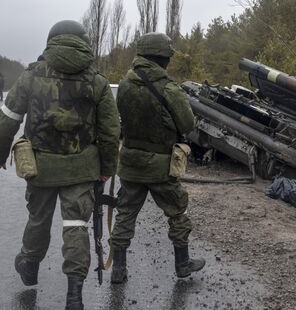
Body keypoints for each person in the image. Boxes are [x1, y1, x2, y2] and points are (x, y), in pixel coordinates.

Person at [0, 20, 120, 310]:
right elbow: (110, 131)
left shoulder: (32, 74)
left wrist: (1, 154)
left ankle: (29, 264)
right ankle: (74, 296)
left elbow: (9, 119)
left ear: (51, 40)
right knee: (76, 224)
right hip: (81, 170)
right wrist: (107, 168)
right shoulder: (98, 81)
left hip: (40, 167)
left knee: (38, 218)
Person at [110, 32, 204, 284]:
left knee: (125, 214)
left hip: (130, 162)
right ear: (162, 57)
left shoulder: (125, 84)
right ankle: (182, 264)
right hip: (161, 166)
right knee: (176, 212)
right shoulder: (169, 88)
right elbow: (187, 124)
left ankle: (118, 269)